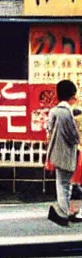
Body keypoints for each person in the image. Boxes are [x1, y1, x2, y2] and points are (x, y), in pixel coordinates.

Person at [46, 79, 80, 226]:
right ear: (72, 96)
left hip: (56, 152)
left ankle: (65, 211)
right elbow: (73, 136)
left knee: (62, 183)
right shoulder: (66, 113)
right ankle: (64, 212)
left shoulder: (53, 111)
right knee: (65, 184)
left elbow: (48, 130)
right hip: (67, 153)